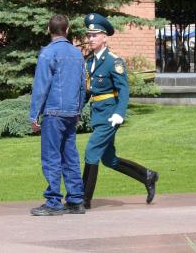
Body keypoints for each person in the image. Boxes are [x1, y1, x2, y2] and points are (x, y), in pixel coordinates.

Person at [82, 13, 159, 209]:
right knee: (109, 160)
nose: (90, 39)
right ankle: (147, 176)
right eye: (88, 35)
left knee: (91, 151)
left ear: (104, 37)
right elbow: (89, 91)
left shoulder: (113, 61)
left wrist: (119, 113)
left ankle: (83, 199)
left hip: (110, 115)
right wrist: (77, 110)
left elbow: (124, 89)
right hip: (97, 115)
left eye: (94, 35)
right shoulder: (90, 62)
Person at [29, 14, 86, 216]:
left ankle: (53, 201)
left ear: (48, 29)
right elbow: (82, 86)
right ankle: (76, 200)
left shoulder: (47, 53)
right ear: (67, 30)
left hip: (53, 112)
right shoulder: (77, 54)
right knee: (70, 156)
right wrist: (79, 110)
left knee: (51, 156)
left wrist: (34, 115)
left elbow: (41, 87)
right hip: (71, 112)